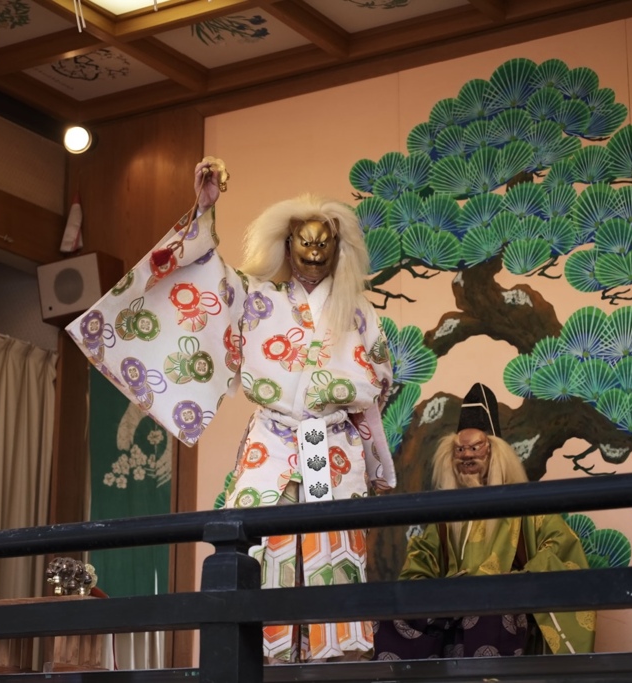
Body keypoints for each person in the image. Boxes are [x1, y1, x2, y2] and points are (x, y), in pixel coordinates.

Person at [66, 157, 394, 663]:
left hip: (333, 446)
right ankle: (265, 660)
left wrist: (355, 423)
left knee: (336, 563)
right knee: (261, 558)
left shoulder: (359, 312)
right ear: (286, 246)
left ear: (338, 248)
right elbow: (209, 275)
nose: (312, 251)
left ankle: (338, 664)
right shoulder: (258, 298)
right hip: (274, 443)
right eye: (303, 241)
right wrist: (204, 210)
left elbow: (379, 380)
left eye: (323, 241)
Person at [373, 383, 595, 659]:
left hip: (504, 604)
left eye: (475, 448)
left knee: (486, 615)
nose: (466, 456)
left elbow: (561, 552)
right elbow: (419, 566)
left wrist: (513, 582)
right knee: (392, 620)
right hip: (452, 606)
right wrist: (438, 588)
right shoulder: (445, 516)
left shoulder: (528, 507)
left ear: (494, 452)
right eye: (460, 450)